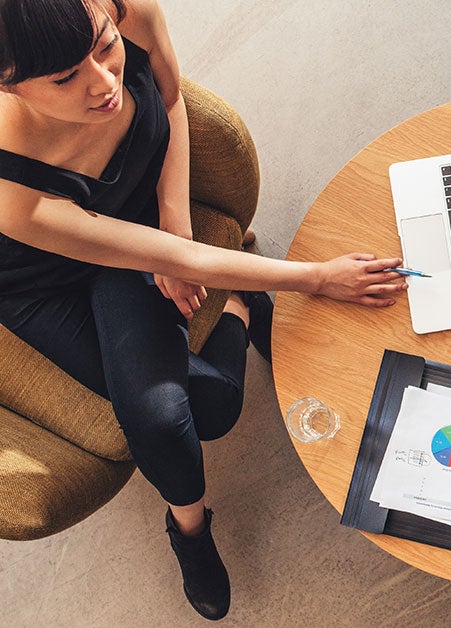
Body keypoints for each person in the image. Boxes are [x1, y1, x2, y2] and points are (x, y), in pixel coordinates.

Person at [0, 0, 407, 619]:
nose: (104, 83)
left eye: (105, 48)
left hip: (135, 222)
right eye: (64, 79)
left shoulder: (131, 9)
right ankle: (190, 528)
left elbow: (168, 101)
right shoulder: (10, 188)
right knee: (201, 410)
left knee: (185, 415)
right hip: (42, 280)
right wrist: (318, 278)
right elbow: (149, 254)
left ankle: (240, 307)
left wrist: (175, 217)